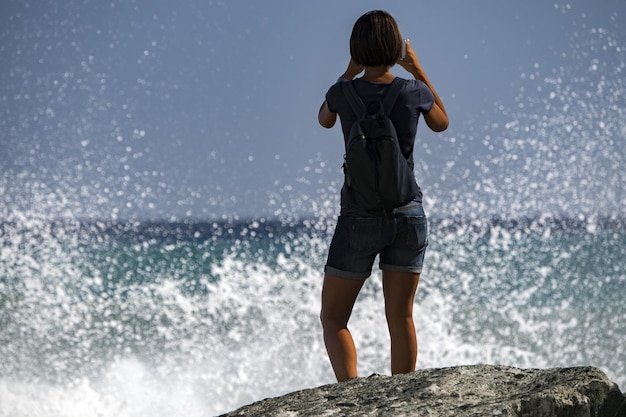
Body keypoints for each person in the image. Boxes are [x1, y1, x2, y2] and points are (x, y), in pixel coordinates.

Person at [318, 10, 449, 382]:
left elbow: (324, 119)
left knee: (333, 319)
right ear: (396, 48)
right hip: (407, 214)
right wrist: (418, 69)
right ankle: (401, 399)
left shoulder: (342, 93)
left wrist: (348, 72)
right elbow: (441, 122)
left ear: (356, 49)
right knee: (401, 316)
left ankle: (352, 395)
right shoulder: (413, 91)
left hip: (357, 217)